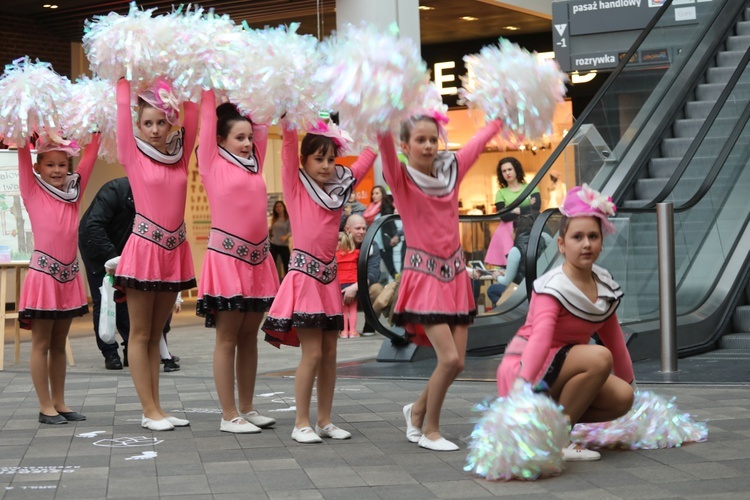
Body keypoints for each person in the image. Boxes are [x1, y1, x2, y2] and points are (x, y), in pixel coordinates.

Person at [377, 114, 502, 451]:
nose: (429, 146)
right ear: (405, 146)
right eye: (420, 140)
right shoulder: (400, 177)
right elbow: (385, 146)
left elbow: (476, 145)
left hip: (457, 278)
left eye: (433, 139)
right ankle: (430, 430)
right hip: (424, 279)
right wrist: (378, 111)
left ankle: (416, 410)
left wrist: (499, 118)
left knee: (458, 362)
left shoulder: (451, 170)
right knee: (448, 359)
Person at [496, 184, 635, 462]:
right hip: (526, 367)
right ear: (562, 244)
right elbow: (541, 338)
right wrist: (521, 387)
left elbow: (615, 339)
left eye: (593, 236)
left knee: (623, 397)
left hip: (564, 369)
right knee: (598, 357)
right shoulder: (553, 286)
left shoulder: (603, 283)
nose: (586, 244)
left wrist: (632, 385)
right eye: (577, 237)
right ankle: (558, 438)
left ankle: (548, 424)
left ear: (601, 242)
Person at [262, 120, 376, 444]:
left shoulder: (340, 189)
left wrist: (379, 125)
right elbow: (287, 150)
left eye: (331, 159)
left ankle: (324, 420)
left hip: (328, 280)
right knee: (311, 354)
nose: (326, 166)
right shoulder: (295, 185)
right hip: (305, 279)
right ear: (304, 160)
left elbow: (366, 160)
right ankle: (301, 422)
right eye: (318, 159)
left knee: (330, 354)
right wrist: (286, 119)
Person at [114, 77, 197, 431]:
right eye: (147, 123)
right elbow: (121, 112)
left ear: (171, 122)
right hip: (144, 252)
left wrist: (195, 75)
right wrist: (123, 80)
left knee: (158, 335)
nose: (154, 129)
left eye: (161, 122)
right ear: (138, 124)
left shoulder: (179, 155)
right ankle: (148, 411)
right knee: (140, 333)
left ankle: (158, 408)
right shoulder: (131, 153)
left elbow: (193, 115)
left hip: (174, 251)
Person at [196, 89, 279, 433]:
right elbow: (205, 122)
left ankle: (247, 406)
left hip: (258, 260)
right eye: (239, 137)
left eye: (249, 137)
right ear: (220, 140)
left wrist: (250, 81)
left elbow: (260, 118)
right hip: (227, 261)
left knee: (249, 337)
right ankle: (228, 414)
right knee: (227, 338)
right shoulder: (211, 162)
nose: (248, 143)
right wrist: (207, 84)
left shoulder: (254, 163)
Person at [17, 133, 100, 424]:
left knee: (59, 343)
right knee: (41, 343)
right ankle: (44, 407)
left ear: (69, 167)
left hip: (69, 276)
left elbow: (89, 159)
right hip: (44, 278)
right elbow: (22, 156)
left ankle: (60, 402)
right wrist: (21, 132)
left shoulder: (74, 192)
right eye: (49, 165)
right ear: (38, 167)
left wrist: (98, 131)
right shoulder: (32, 191)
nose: (56, 170)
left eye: (62, 165)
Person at [78, 177, 134, 370]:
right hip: (95, 247)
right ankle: (109, 352)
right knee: (105, 298)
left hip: (123, 252)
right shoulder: (115, 190)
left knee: (129, 300)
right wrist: (113, 258)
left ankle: (132, 349)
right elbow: (93, 227)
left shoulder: (151, 195)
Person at [485, 157, 540, 267]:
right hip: (507, 231)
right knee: (510, 265)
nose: (507, 173)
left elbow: (536, 208)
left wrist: (515, 210)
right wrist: (527, 208)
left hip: (530, 227)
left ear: (516, 169)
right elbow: (504, 216)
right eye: (504, 171)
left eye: (510, 169)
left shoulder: (531, 187)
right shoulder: (501, 193)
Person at [485, 215, 539, 308]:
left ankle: (510, 310)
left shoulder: (516, 250)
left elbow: (506, 282)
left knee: (492, 290)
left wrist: (497, 276)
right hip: (536, 288)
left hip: (522, 291)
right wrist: (506, 272)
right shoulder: (540, 242)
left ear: (516, 231)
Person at [363, 185, 400, 278]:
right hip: (373, 244)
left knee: (391, 269)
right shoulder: (370, 209)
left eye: (377, 193)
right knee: (373, 269)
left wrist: (395, 236)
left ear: (382, 194)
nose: (374, 196)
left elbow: (391, 224)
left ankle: (399, 285)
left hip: (384, 244)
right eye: (372, 194)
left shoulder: (386, 208)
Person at [336, 232, 360, 338]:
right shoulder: (355, 253)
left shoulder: (335, 256)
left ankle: (344, 331)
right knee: (353, 309)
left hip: (341, 284)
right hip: (353, 284)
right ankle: (353, 331)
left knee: (344, 310)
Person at [269, 200, 291, 277]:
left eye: (280, 206)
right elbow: (271, 230)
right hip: (274, 245)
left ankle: (288, 283)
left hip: (283, 246)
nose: (278, 208)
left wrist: (286, 236)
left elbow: (291, 231)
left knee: (287, 265)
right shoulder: (274, 219)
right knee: (272, 265)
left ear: (284, 207)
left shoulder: (288, 219)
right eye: (276, 207)